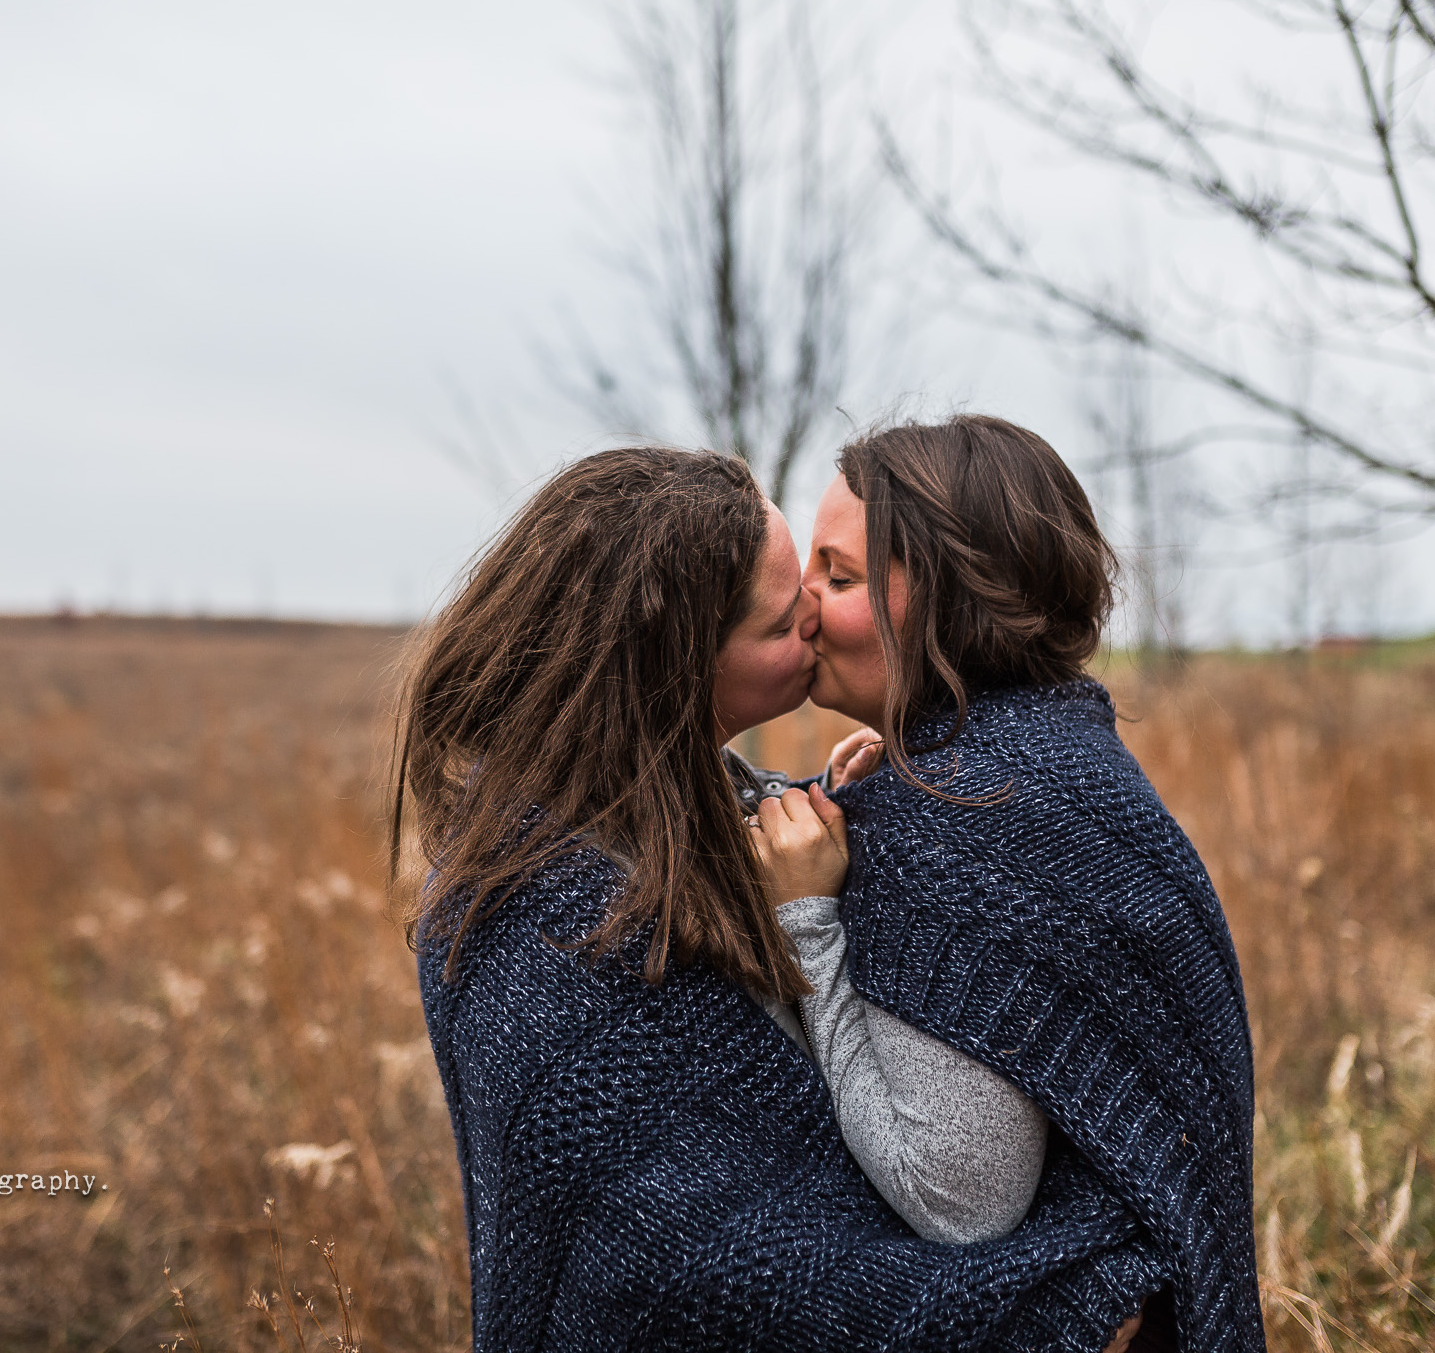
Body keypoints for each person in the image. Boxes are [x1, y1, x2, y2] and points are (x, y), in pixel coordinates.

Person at [396, 445, 1165, 1352]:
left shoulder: (667, 806)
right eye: (780, 619)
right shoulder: (550, 918)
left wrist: (844, 814)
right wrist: (1046, 1314)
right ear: (672, 674)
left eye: (815, 573)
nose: (816, 613)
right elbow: (708, 1278)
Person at [764, 414, 1267, 1353]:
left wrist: (807, 925)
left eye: (837, 577)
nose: (801, 606)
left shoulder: (958, 810)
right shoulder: (1068, 760)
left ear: (949, 599)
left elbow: (957, 1200)